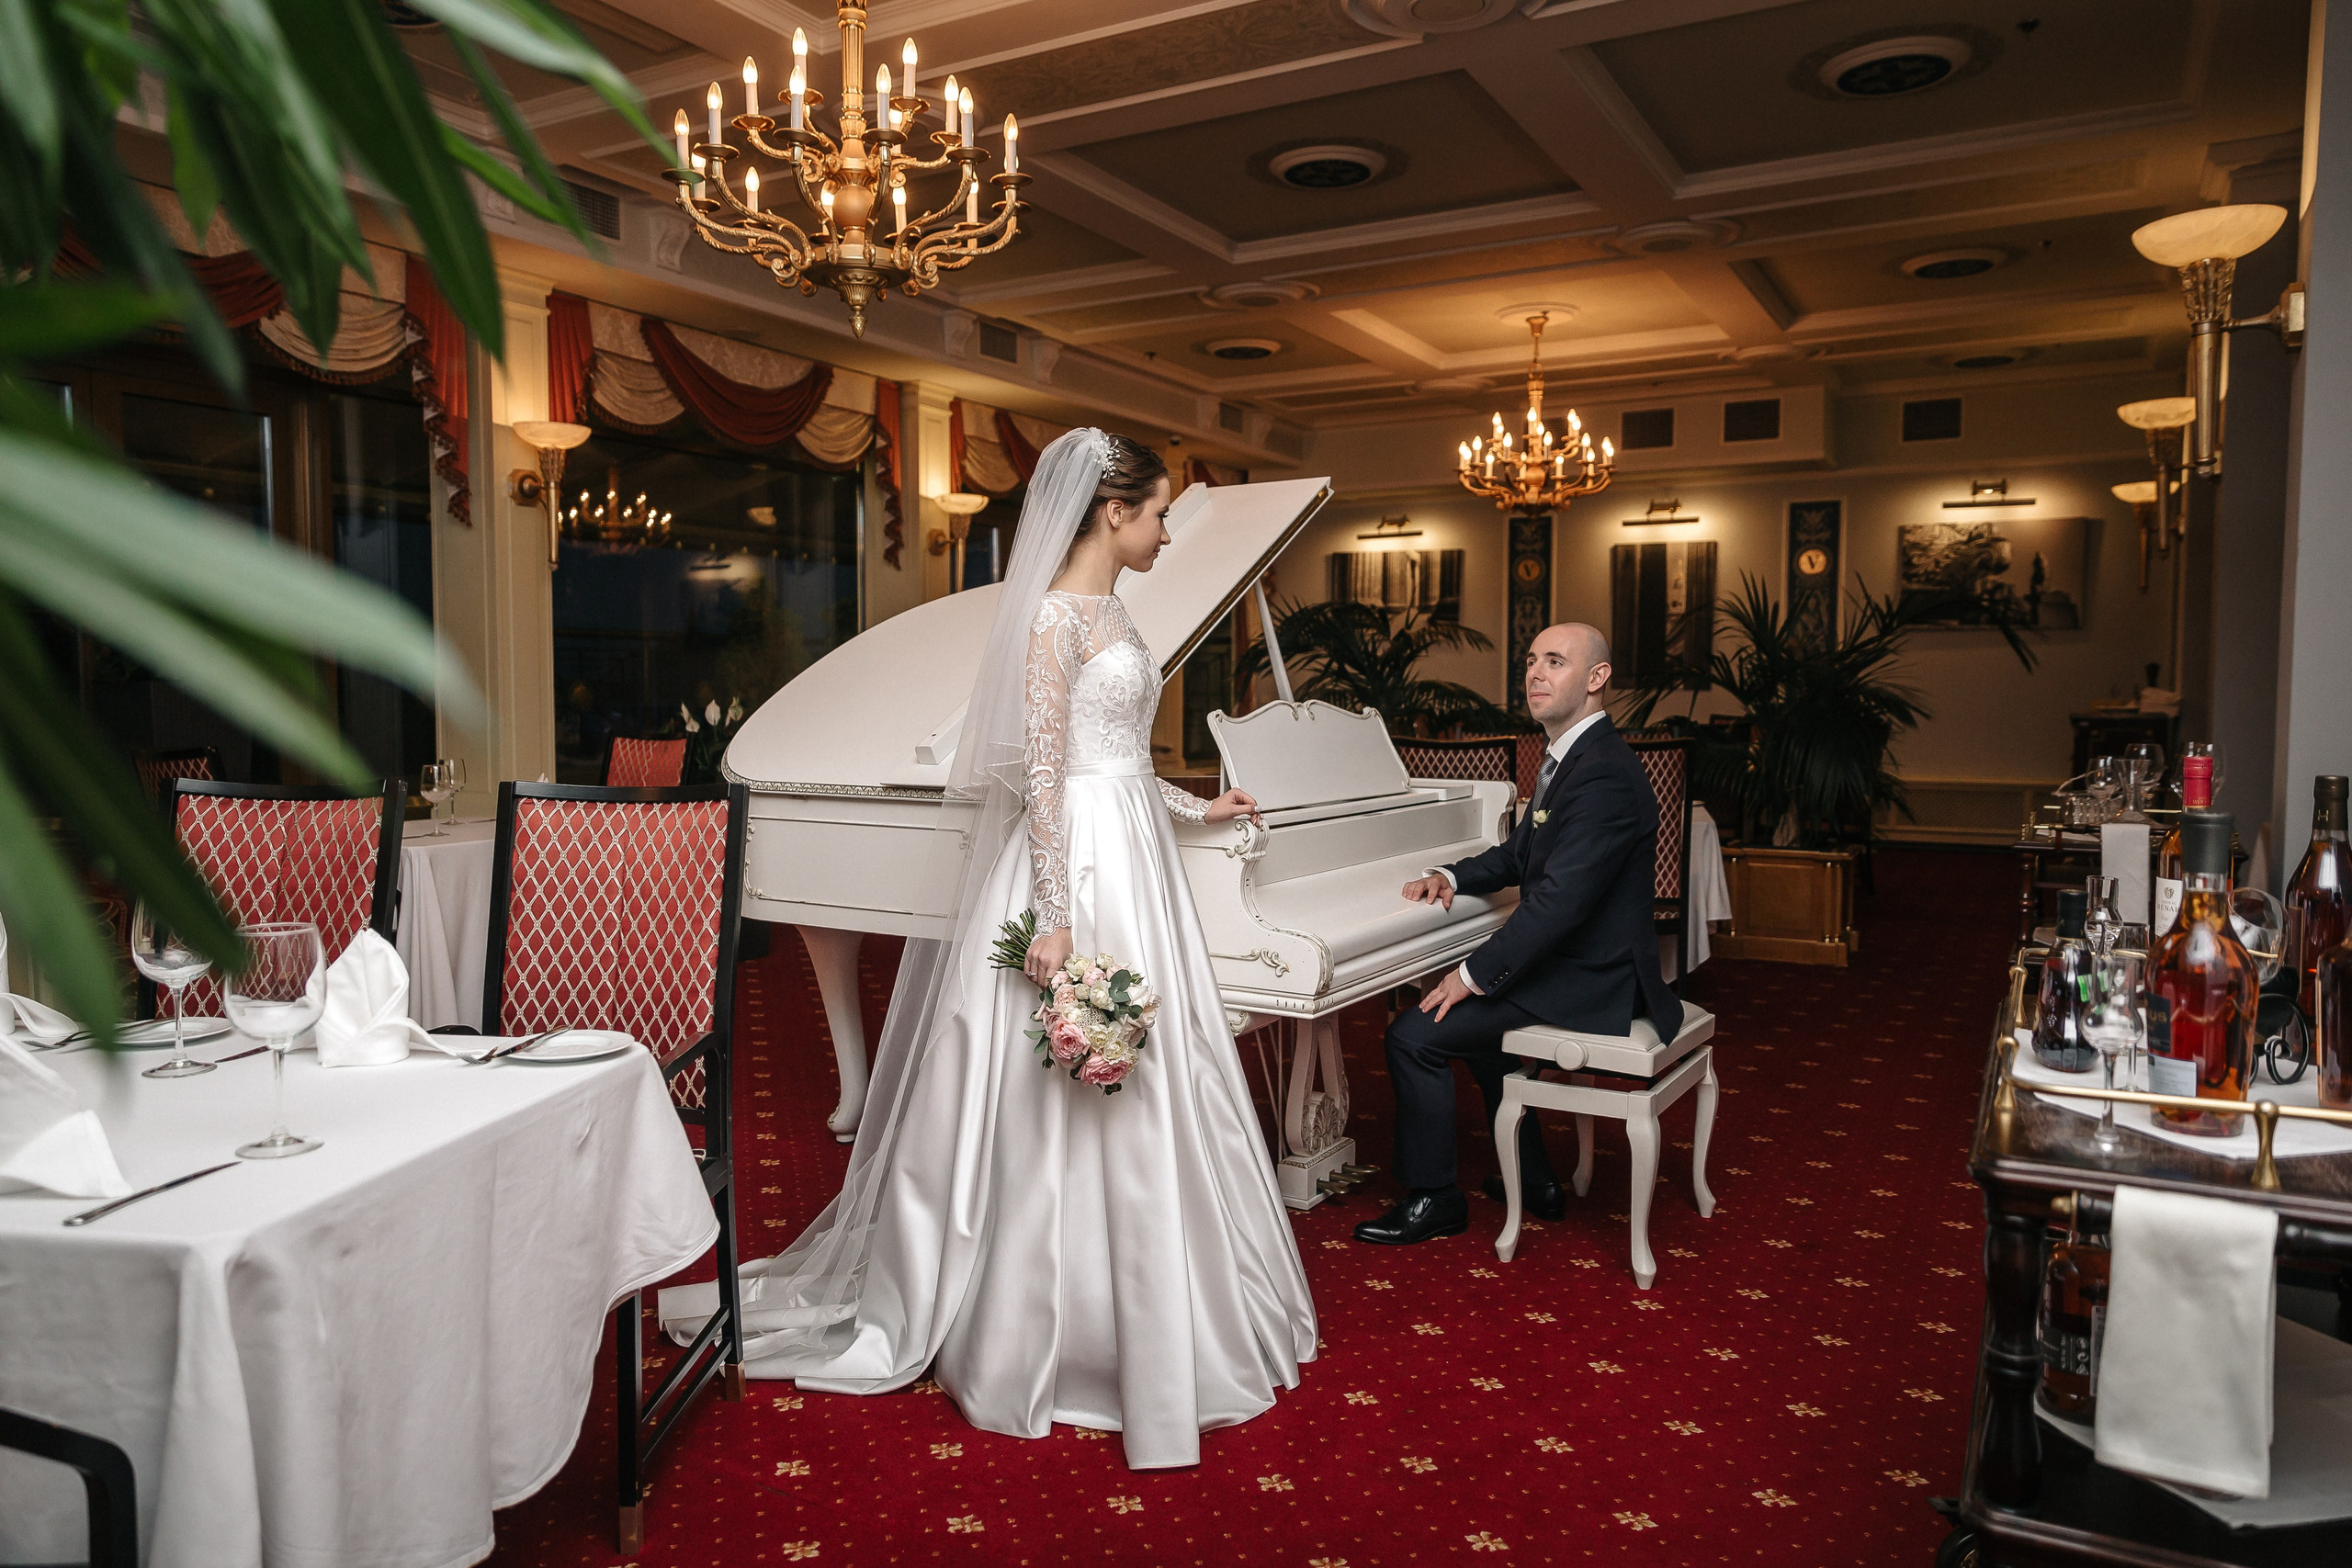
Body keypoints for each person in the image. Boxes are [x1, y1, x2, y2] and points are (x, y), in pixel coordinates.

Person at [661, 429, 1317, 1470]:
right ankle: (1036, 1317)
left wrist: (1198, 807)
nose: (1163, 533)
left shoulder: (1119, 612)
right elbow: (1046, 777)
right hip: (1074, 864)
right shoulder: (1051, 619)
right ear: (1112, 512)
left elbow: (1116, 758)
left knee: (1162, 1064)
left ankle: (1172, 1300)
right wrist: (1055, 916)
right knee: (1050, 1073)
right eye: (1155, 515)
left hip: (1133, 849)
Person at [1353, 622, 1682, 1246]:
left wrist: (1471, 974)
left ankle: (1433, 1197)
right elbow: (1519, 855)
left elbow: (1557, 903)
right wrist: (1451, 875)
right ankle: (1535, 1178)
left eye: (1555, 661)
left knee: (1413, 1035)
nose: (1535, 673)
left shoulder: (1604, 773)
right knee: (1481, 1035)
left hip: (1595, 978)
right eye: (1531, 660)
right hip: (1578, 960)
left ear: (1597, 678)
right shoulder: (1574, 757)